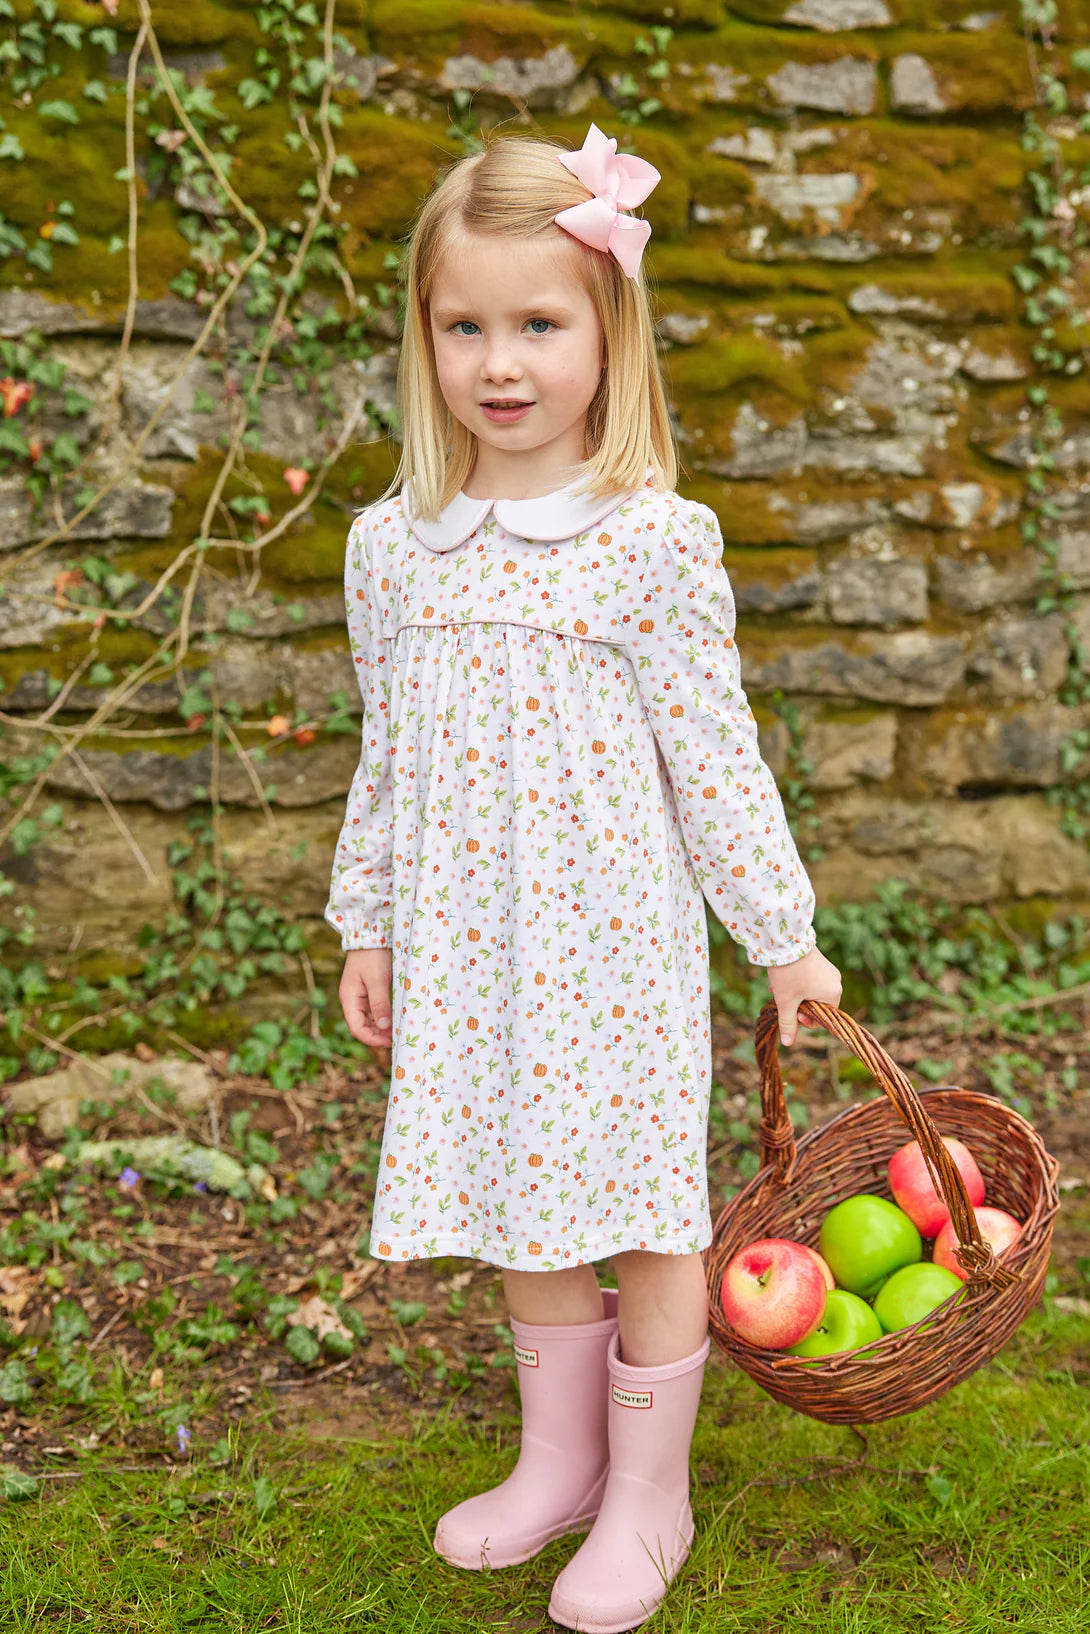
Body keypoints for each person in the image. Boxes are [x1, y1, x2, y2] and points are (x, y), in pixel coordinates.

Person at [325, 121, 843, 1634]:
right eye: (465, 324)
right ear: (425, 339)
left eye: (539, 322)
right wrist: (367, 920)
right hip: (472, 946)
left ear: (606, 333)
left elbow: (715, 760)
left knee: (635, 1209)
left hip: (611, 950)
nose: (501, 360)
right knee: (521, 1206)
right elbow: (384, 751)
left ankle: (646, 1492)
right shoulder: (393, 549)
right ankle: (556, 1460)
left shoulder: (650, 544)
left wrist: (782, 936)